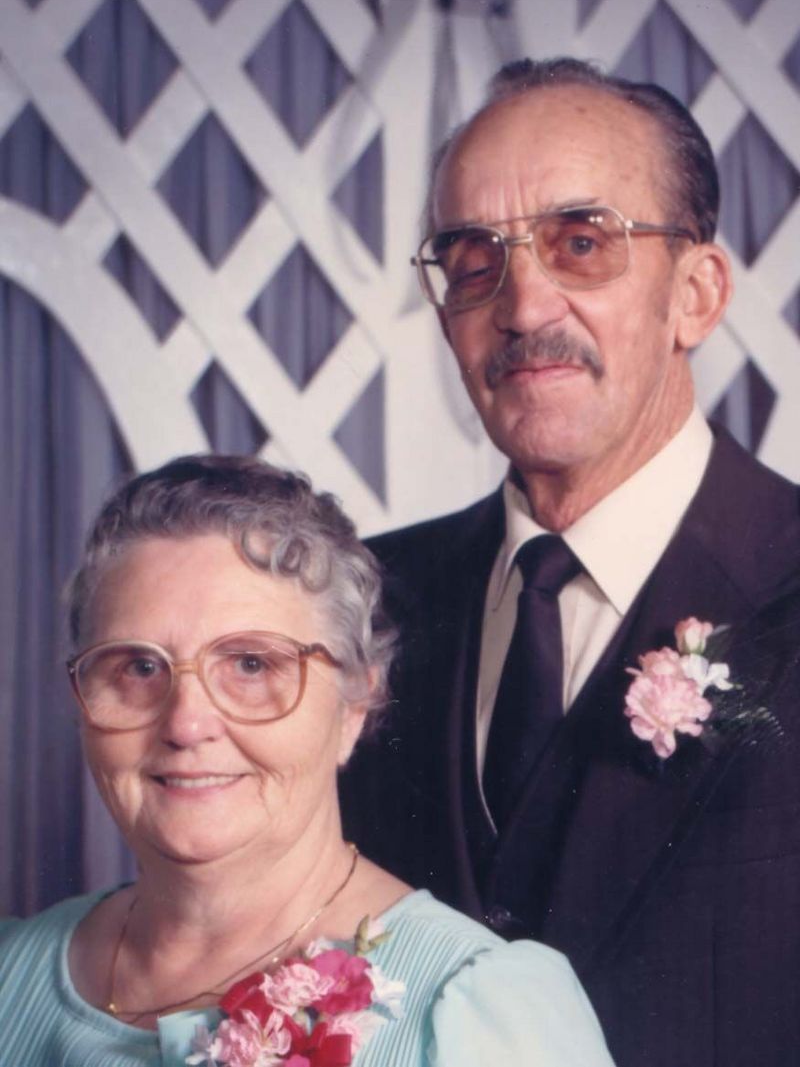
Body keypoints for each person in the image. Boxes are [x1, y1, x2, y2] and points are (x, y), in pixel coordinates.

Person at [340, 57, 800, 1067]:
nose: (521, 306)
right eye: (473, 259)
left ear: (695, 294)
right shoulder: (359, 604)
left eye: (580, 243)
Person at [0, 455, 614, 1067]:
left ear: (355, 704)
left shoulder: (477, 1010)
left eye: (251, 665)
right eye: (138, 667)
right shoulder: (9, 972)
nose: (186, 724)